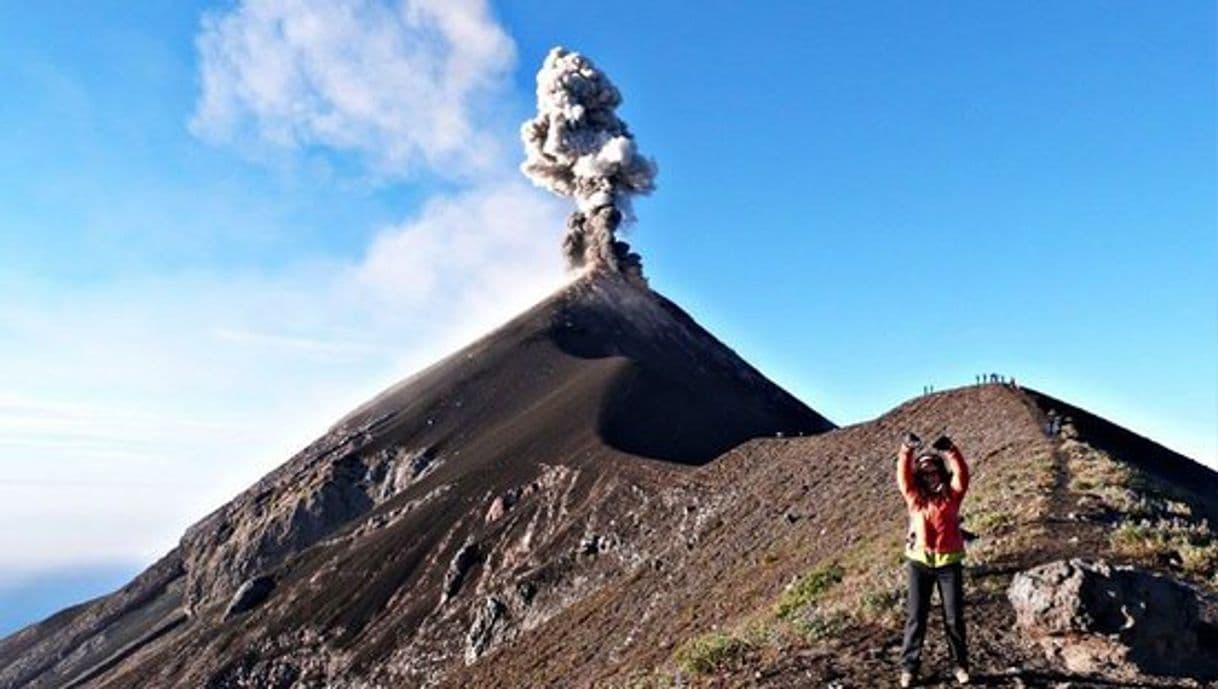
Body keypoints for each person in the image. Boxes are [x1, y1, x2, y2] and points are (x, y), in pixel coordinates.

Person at [896, 432, 971, 687]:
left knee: (954, 617)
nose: (930, 476)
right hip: (919, 564)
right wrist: (907, 450)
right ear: (919, 475)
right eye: (925, 472)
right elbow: (902, 477)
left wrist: (951, 450)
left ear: (941, 472)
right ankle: (909, 668)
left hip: (949, 564)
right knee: (916, 617)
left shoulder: (953, 495)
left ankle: (960, 665)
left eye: (934, 471)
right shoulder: (914, 498)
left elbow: (963, 474)